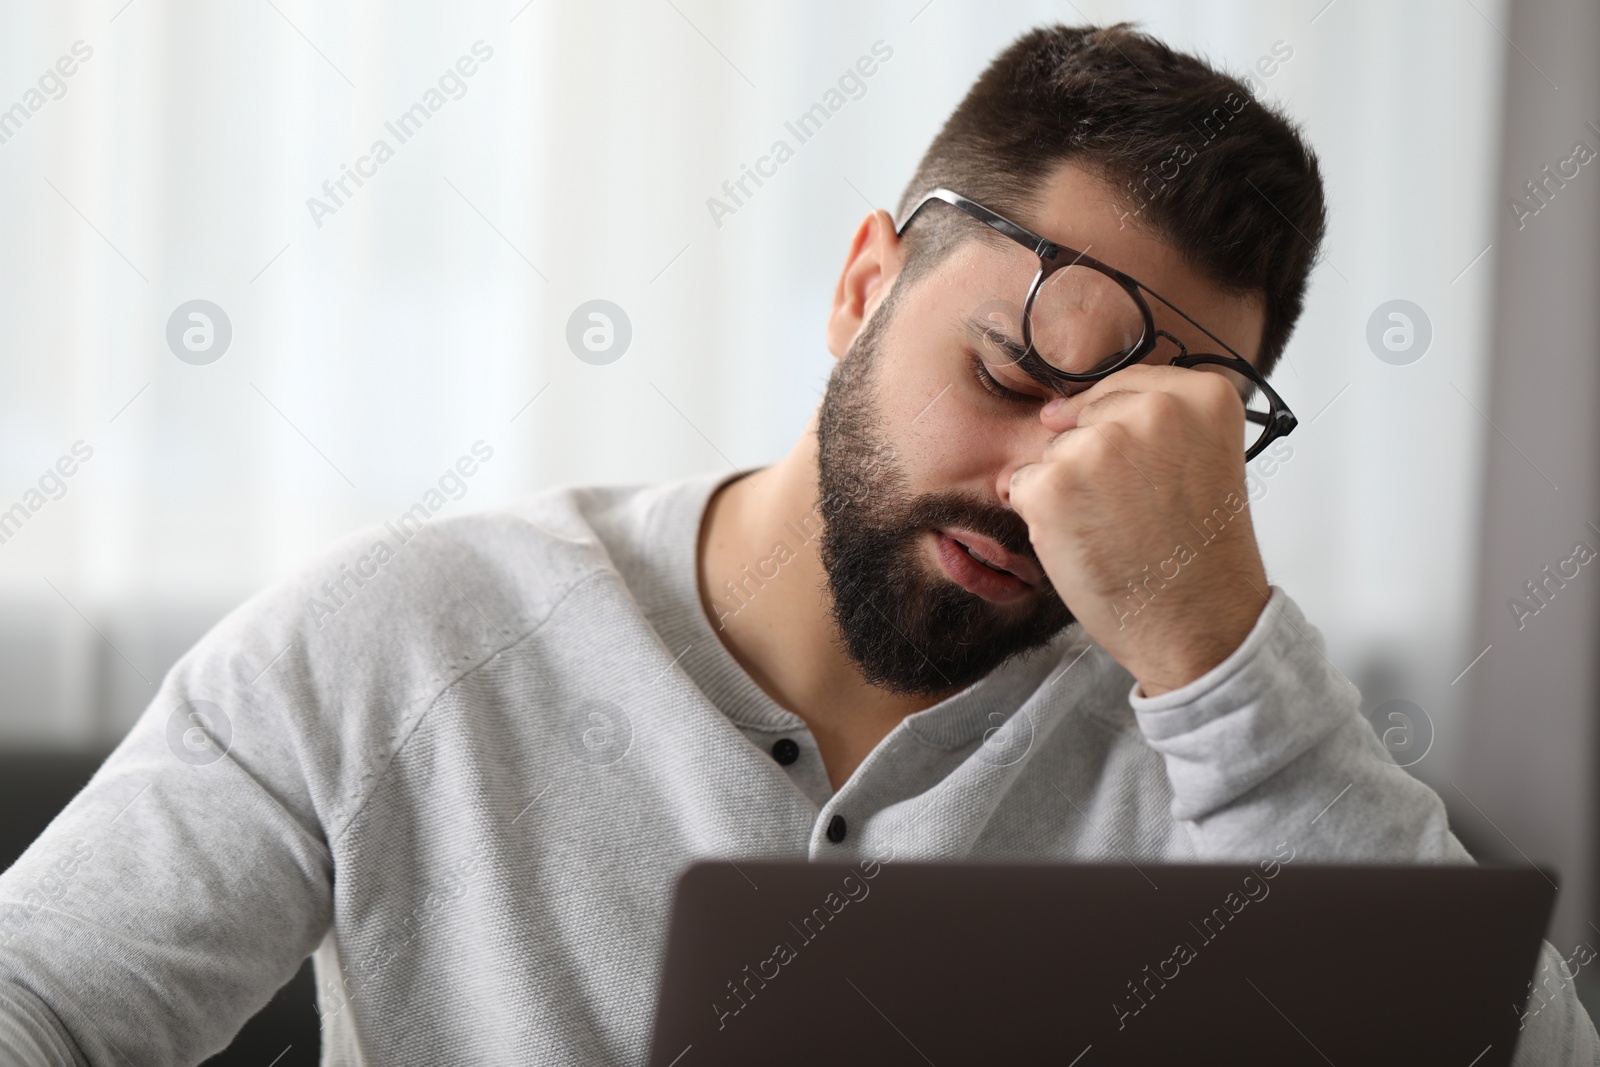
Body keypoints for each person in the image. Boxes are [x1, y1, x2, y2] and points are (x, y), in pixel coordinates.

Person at [0, 21, 1592, 1065]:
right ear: (860, 288)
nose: (1050, 486)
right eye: (1013, 372)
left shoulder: (1218, 731)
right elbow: (40, 1000)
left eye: (1141, 442)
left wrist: (1216, 652)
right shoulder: (399, 639)